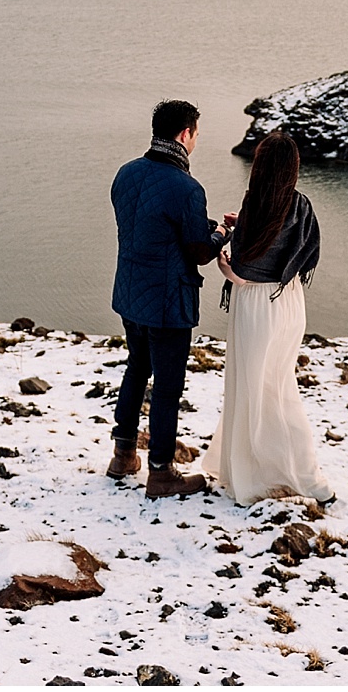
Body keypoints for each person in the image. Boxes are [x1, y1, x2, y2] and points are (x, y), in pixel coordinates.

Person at [202, 130, 334, 506]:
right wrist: (244, 225)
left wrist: (225, 259)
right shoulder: (301, 204)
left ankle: (294, 475)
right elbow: (300, 252)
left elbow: (244, 271)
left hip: (257, 305)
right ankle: (280, 468)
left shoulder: (255, 203)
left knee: (256, 389)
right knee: (277, 384)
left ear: (259, 167)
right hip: (289, 301)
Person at [106, 99, 221, 499]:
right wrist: (221, 235)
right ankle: (161, 472)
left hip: (131, 291)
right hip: (168, 301)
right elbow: (198, 252)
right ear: (185, 133)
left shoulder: (127, 173)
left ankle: (123, 454)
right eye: (196, 135)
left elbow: (149, 225)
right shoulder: (187, 187)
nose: (196, 142)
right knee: (168, 386)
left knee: (137, 368)